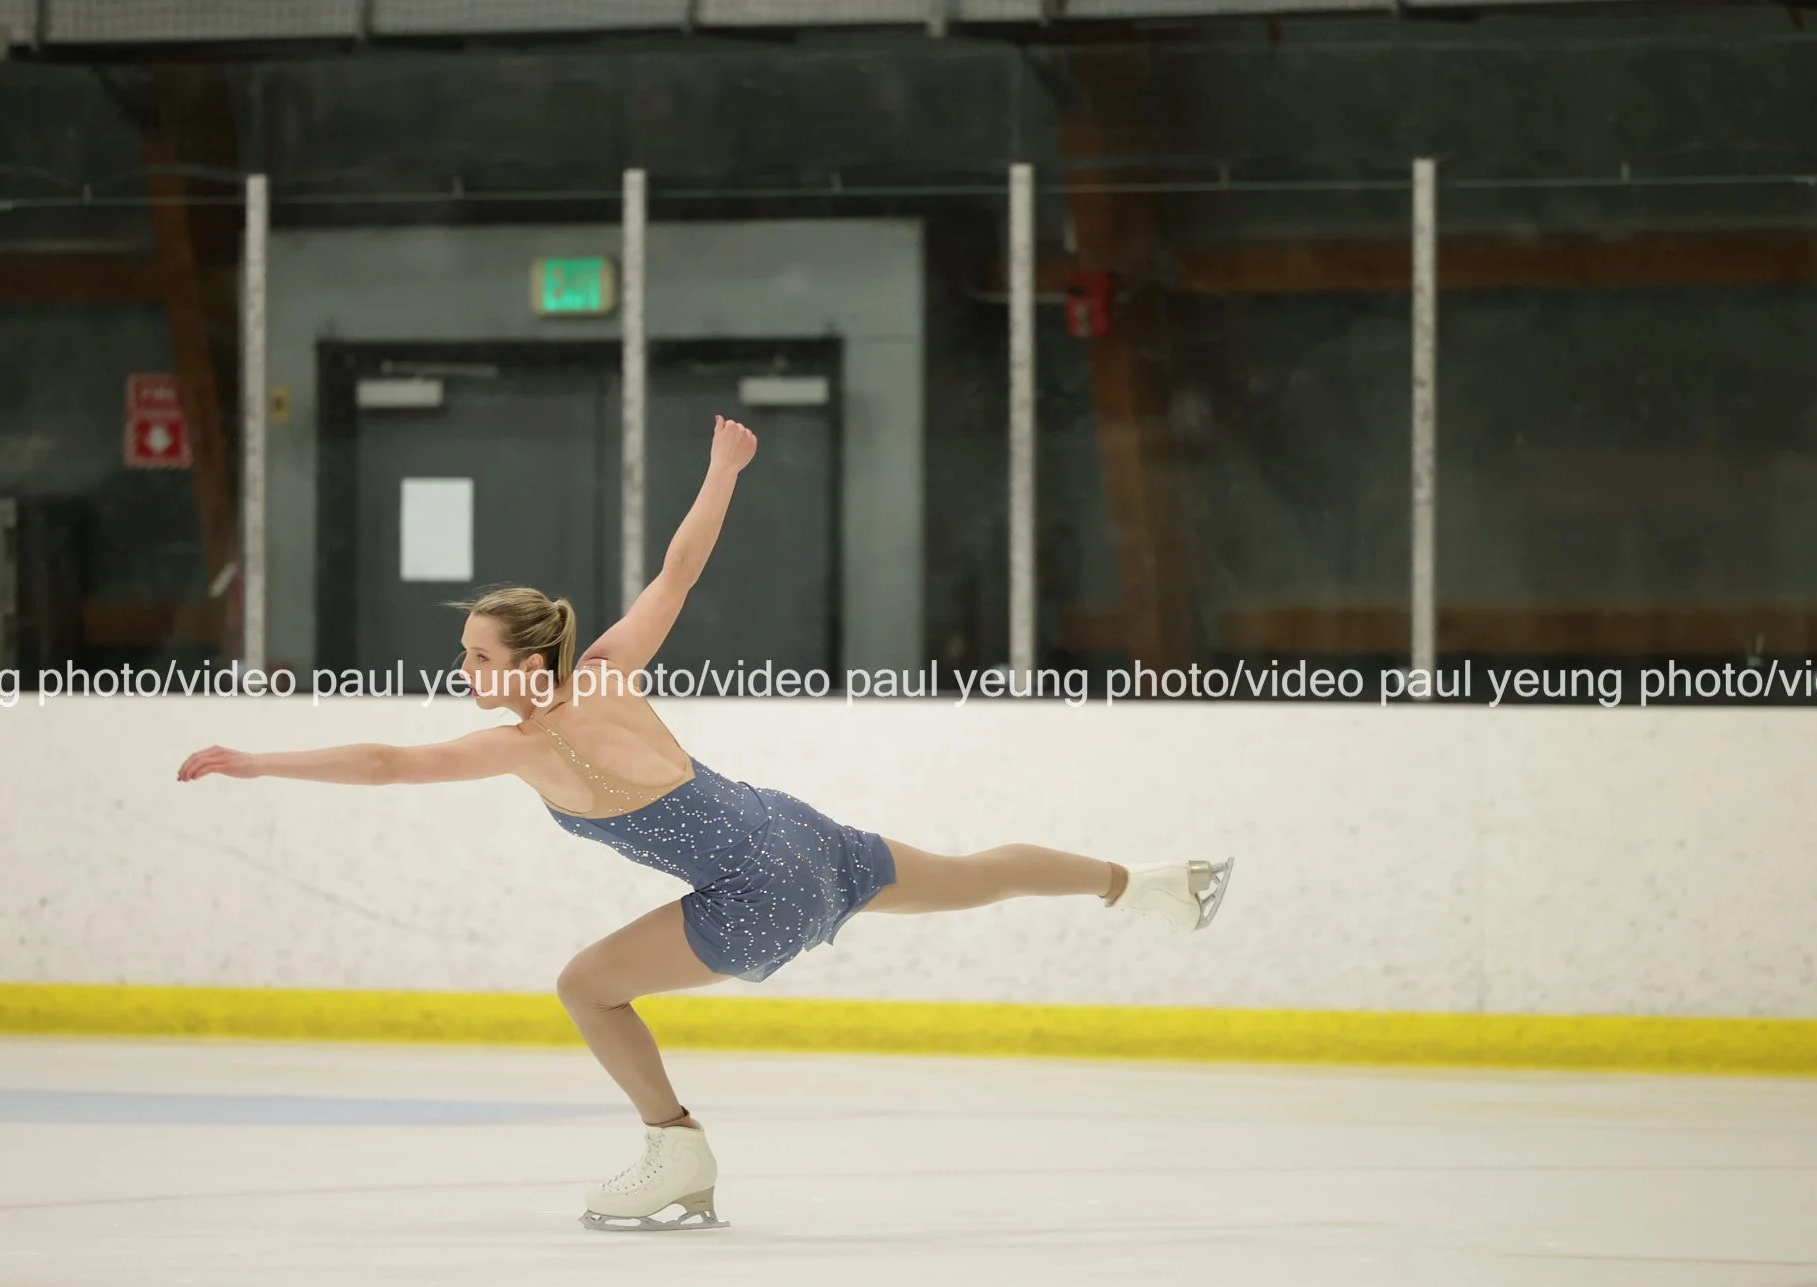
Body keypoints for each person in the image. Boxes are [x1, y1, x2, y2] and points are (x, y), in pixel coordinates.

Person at [178, 416, 1233, 1232]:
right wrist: (723, 470)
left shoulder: (528, 744)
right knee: (971, 874)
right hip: (801, 834)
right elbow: (678, 571)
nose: (465, 670)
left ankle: (674, 1148)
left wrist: (261, 760)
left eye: (480, 657)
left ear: (528, 663)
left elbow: (388, 764)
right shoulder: (607, 671)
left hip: (757, 890)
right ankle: (1148, 883)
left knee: (586, 987)